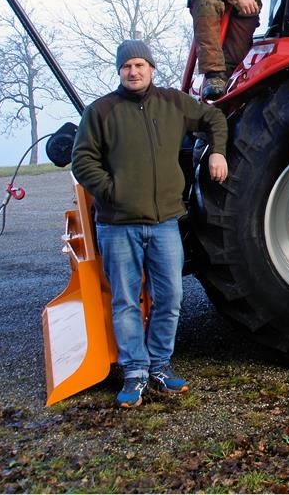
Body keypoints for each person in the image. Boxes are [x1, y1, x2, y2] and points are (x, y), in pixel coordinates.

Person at [71, 39, 229, 407]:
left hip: (164, 223)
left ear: (152, 69)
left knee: (170, 296)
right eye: (127, 66)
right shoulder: (101, 111)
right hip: (118, 224)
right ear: (120, 71)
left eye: (140, 65)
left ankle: (159, 365)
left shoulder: (173, 103)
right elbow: (83, 160)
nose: (134, 71)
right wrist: (112, 191)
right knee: (125, 300)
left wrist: (217, 150)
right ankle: (135, 372)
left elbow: (214, 118)